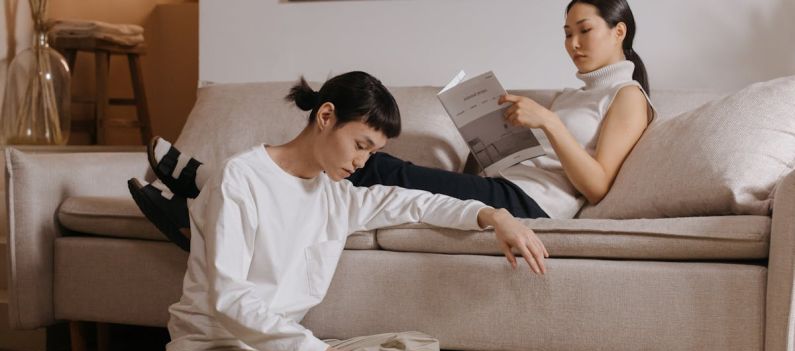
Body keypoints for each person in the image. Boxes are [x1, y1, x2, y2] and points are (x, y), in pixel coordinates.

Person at [142, 71, 549, 351]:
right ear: (325, 116)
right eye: (360, 145)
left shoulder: (337, 197)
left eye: (372, 153)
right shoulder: (241, 178)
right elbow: (229, 300)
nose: (361, 162)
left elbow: (416, 203)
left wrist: (495, 216)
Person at [130, 0, 655, 253]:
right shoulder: (578, 93)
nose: (572, 43)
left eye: (584, 30)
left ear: (619, 31)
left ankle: (203, 192)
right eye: (566, 32)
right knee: (358, 179)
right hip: (511, 183)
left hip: (532, 206)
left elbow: (597, 183)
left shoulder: (627, 96)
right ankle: (209, 194)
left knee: (372, 166)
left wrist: (546, 123)